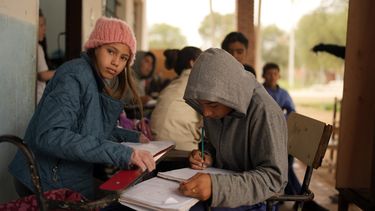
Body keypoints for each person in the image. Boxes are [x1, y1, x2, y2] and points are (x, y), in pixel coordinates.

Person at [8, 17, 156, 200]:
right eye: (111, 51)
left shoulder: (98, 80)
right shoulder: (75, 75)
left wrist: (134, 138)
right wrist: (122, 153)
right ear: (95, 47)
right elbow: (51, 135)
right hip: (46, 179)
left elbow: (91, 130)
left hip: (68, 175)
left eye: (123, 57)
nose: (116, 62)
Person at [179, 48, 288, 210]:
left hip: (256, 200)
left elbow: (274, 179)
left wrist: (217, 187)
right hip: (225, 182)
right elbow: (211, 142)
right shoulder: (213, 103)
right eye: (201, 105)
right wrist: (207, 155)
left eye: (212, 105)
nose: (206, 113)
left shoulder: (265, 112)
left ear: (232, 94)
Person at [262, 63, 328, 211]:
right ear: (263, 75)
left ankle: (292, 195)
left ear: (279, 76)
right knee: (278, 166)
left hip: (283, 134)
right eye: (269, 73)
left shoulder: (284, 94)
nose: (272, 76)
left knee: (286, 164)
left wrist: (281, 119)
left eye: (275, 73)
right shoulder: (261, 91)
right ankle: (297, 196)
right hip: (265, 135)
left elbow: (292, 112)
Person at [151, 46, 202, 153]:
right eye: (203, 61)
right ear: (193, 63)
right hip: (182, 150)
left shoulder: (172, 84)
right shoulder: (198, 84)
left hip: (155, 147)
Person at [37, 9, 55, 103]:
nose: (44, 29)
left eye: (44, 25)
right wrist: (61, 71)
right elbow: (43, 75)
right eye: (41, 25)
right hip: (38, 100)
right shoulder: (38, 48)